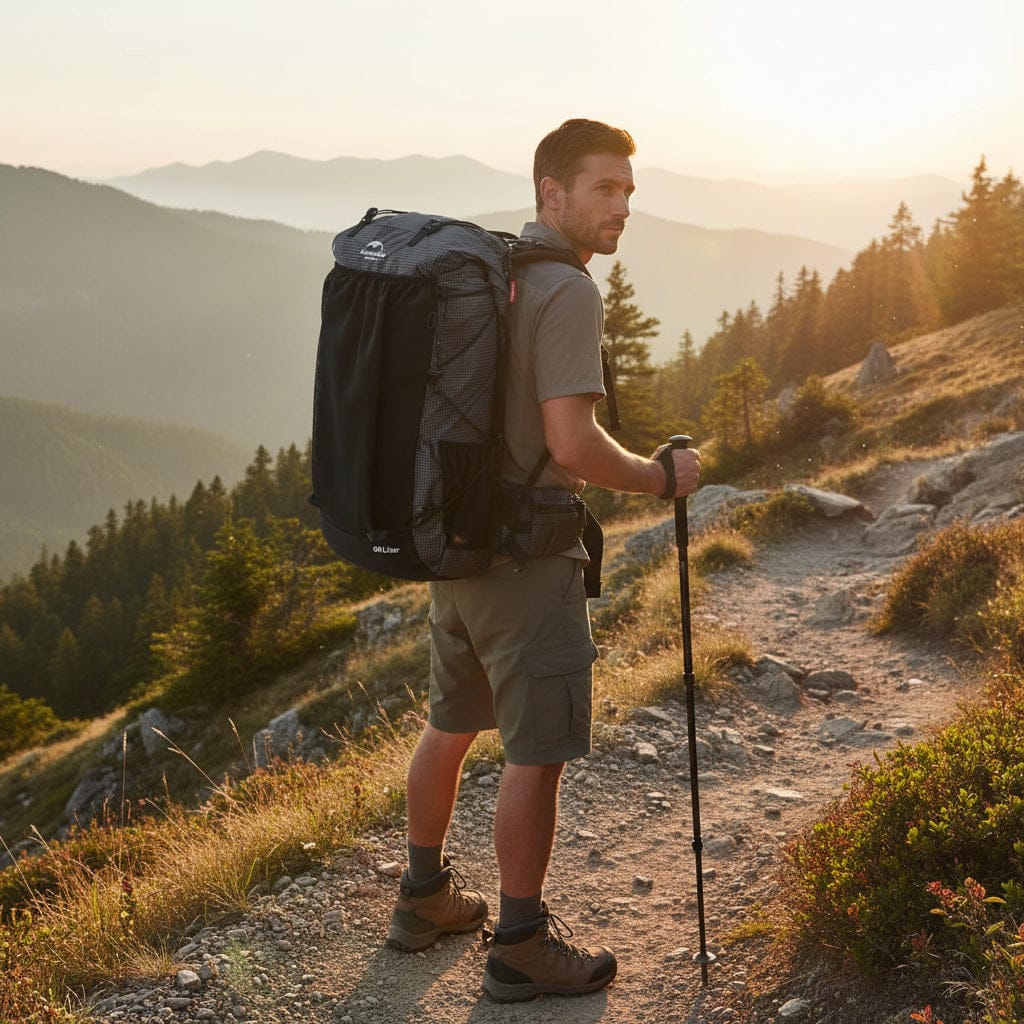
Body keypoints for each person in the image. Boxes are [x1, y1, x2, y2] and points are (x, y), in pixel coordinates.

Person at [386, 118, 701, 1001]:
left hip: (460, 547)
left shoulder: (495, 278)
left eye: (630, 192)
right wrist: (655, 478)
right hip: (527, 560)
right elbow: (569, 445)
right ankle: (520, 941)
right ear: (549, 194)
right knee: (536, 751)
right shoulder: (566, 290)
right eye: (604, 189)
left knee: (449, 725)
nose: (623, 208)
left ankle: (423, 898)